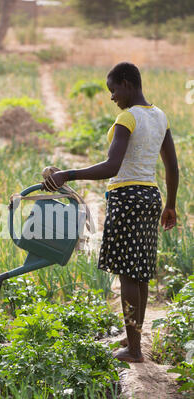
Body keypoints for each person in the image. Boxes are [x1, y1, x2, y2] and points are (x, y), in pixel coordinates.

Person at [42, 62, 179, 363]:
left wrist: (67, 174)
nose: (112, 96)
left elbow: (111, 167)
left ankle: (134, 349)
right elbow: (171, 165)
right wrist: (170, 204)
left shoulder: (127, 118)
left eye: (114, 89)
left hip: (127, 197)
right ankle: (135, 341)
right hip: (150, 196)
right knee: (140, 271)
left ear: (128, 84)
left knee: (128, 274)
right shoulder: (160, 116)